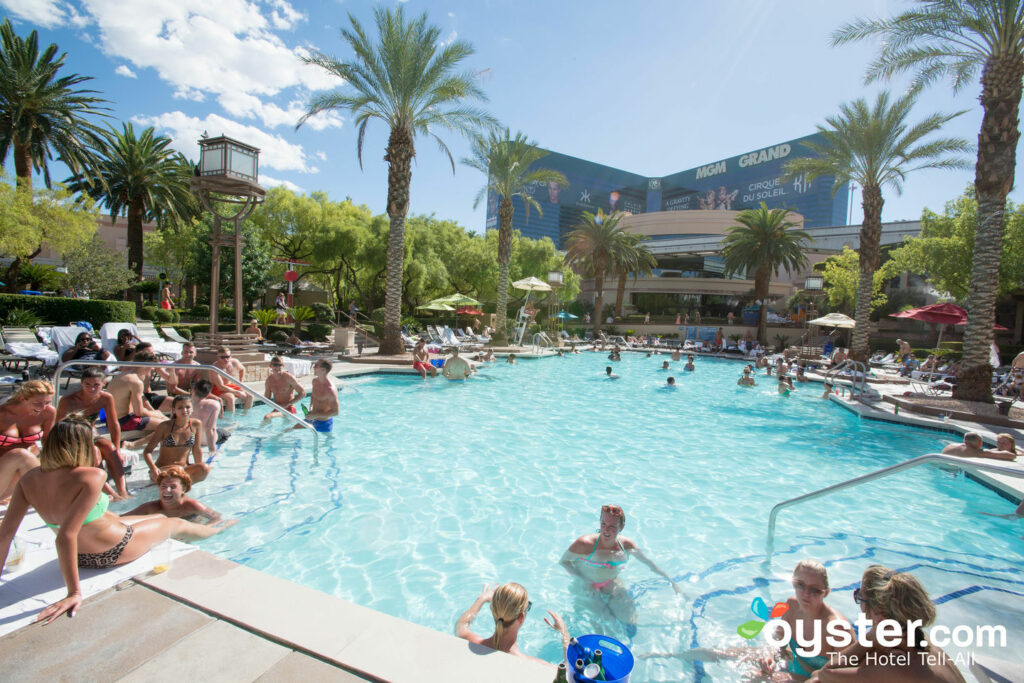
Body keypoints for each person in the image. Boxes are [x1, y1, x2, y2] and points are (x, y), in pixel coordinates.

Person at [0, 416, 234, 624]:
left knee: (150, 516)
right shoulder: (91, 476)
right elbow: (65, 537)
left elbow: (5, 534)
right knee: (173, 523)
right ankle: (217, 528)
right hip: (111, 551)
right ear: (81, 447)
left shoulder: (29, 479)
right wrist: (73, 593)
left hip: (81, 556)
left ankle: (203, 527)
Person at [811, 566, 966, 682]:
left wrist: (870, 638)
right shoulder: (921, 640)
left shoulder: (898, 668)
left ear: (879, 616)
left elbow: (826, 673)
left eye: (860, 597)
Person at [560, 504, 683, 625]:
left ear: (621, 527)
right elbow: (564, 562)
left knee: (630, 620)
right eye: (603, 524)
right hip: (587, 585)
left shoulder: (626, 546)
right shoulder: (585, 544)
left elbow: (649, 564)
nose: (606, 530)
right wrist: (584, 580)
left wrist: (672, 582)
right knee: (606, 622)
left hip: (610, 582)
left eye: (612, 526)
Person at [455, 582, 570, 666]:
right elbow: (568, 672)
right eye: (527, 606)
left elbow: (461, 626)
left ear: (492, 609)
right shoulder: (535, 665)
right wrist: (564, 633)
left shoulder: (473, 643)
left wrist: (481, 599)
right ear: (521, 617)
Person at [56, 367, 129, 499]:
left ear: (103, 384)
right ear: (81, 384)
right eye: (87, 385)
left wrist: (118, 448)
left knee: (110, 448)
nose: (92, 389)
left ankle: (123, 492)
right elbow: (58, 426)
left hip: (91, 433)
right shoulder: (68, 400)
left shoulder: (105, 398)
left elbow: (113, 424)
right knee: (94, 452)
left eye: (96, 385)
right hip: (72, 435)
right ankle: (110, 493)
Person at [0, 380, 55, 500]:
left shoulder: (48, 413)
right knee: (20, 454)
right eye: (37, 403)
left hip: (19, 471)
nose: (43, 407)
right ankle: (56, 500)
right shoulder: (2, 414)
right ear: (21, 398)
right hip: (3, 468)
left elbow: (47, 443)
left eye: (47, 402)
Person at [142, 395, 210, 484]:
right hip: (163, 470)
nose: (184, 410)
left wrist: (198, 467)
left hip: (183, 469)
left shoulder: (196, 424)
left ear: (192, 408)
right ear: (174, 410)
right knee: (177, 473)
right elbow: (147, 451)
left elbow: (196, 449)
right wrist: (153, 468)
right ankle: (180, 483)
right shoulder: (165, 426)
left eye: (187, 407)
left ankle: (181, 483)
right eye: (180, 408)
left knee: (204, 468)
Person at [125, 465, 221, 523]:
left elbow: (217, 518)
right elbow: (122, 518)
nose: (167, 490)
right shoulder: (152, 507)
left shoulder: (192, 506)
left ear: (184, 489)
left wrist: (202, 530)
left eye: (173, 487)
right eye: (163, 486)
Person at [106, 352, 167, 437]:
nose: (153, 369)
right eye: (152, 367)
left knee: (163, 420)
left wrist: (154, 412)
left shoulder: (124, 375)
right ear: (146, 366)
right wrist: (157, 414)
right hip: (122, 422)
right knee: (168, 426)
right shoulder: (136, 382)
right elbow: (139, 412)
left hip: (111, 420)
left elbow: (142, 402)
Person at [301, 359, 339, 432]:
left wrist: (316, 415)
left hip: (324, 423)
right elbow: (313, 396)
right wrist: (311, 409)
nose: (313, 368)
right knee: (289, 430)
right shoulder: (315, 381)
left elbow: (336, 412)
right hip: (312, 419)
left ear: (323, 370)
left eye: (316, 366)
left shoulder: (330, 390)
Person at [211, 346, 253, 412]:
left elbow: (242, 369)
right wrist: (237, 392)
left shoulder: (234, 362)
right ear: (218, 357)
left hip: (229, 386)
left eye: (227, 357)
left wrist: (241, 382)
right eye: (222, 357)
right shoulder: (215, 368)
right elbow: (221, 387)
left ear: (231, 356)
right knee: (230, 397)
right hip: (217, 388)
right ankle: (230, 420)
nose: (226, 359)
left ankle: (246, 416)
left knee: (250, 396)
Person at [263, 355, 305, 419]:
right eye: (275, 365)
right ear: (270, 366)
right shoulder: (269, 380)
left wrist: (288, 404)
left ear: (283, 366)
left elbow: (303, 393)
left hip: (289, 409)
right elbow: (267, 398)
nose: (277, 367)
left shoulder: (288, 378)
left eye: (280, 365)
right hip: (278, 408)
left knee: (267, 417)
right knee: (267, 418)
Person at [190, 380, 224, 455]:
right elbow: (210, 428)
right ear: (209, 393)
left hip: (192, 440)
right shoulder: (213, 404)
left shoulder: (186, 404)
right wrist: (212, 450)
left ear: (193, 390)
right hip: (207, 440)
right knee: (225, 433)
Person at [941, 432, 1016, 461]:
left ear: (965, 440)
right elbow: (1011, 456)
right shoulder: (976, 452)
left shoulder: (950, 446)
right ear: (980, 442)